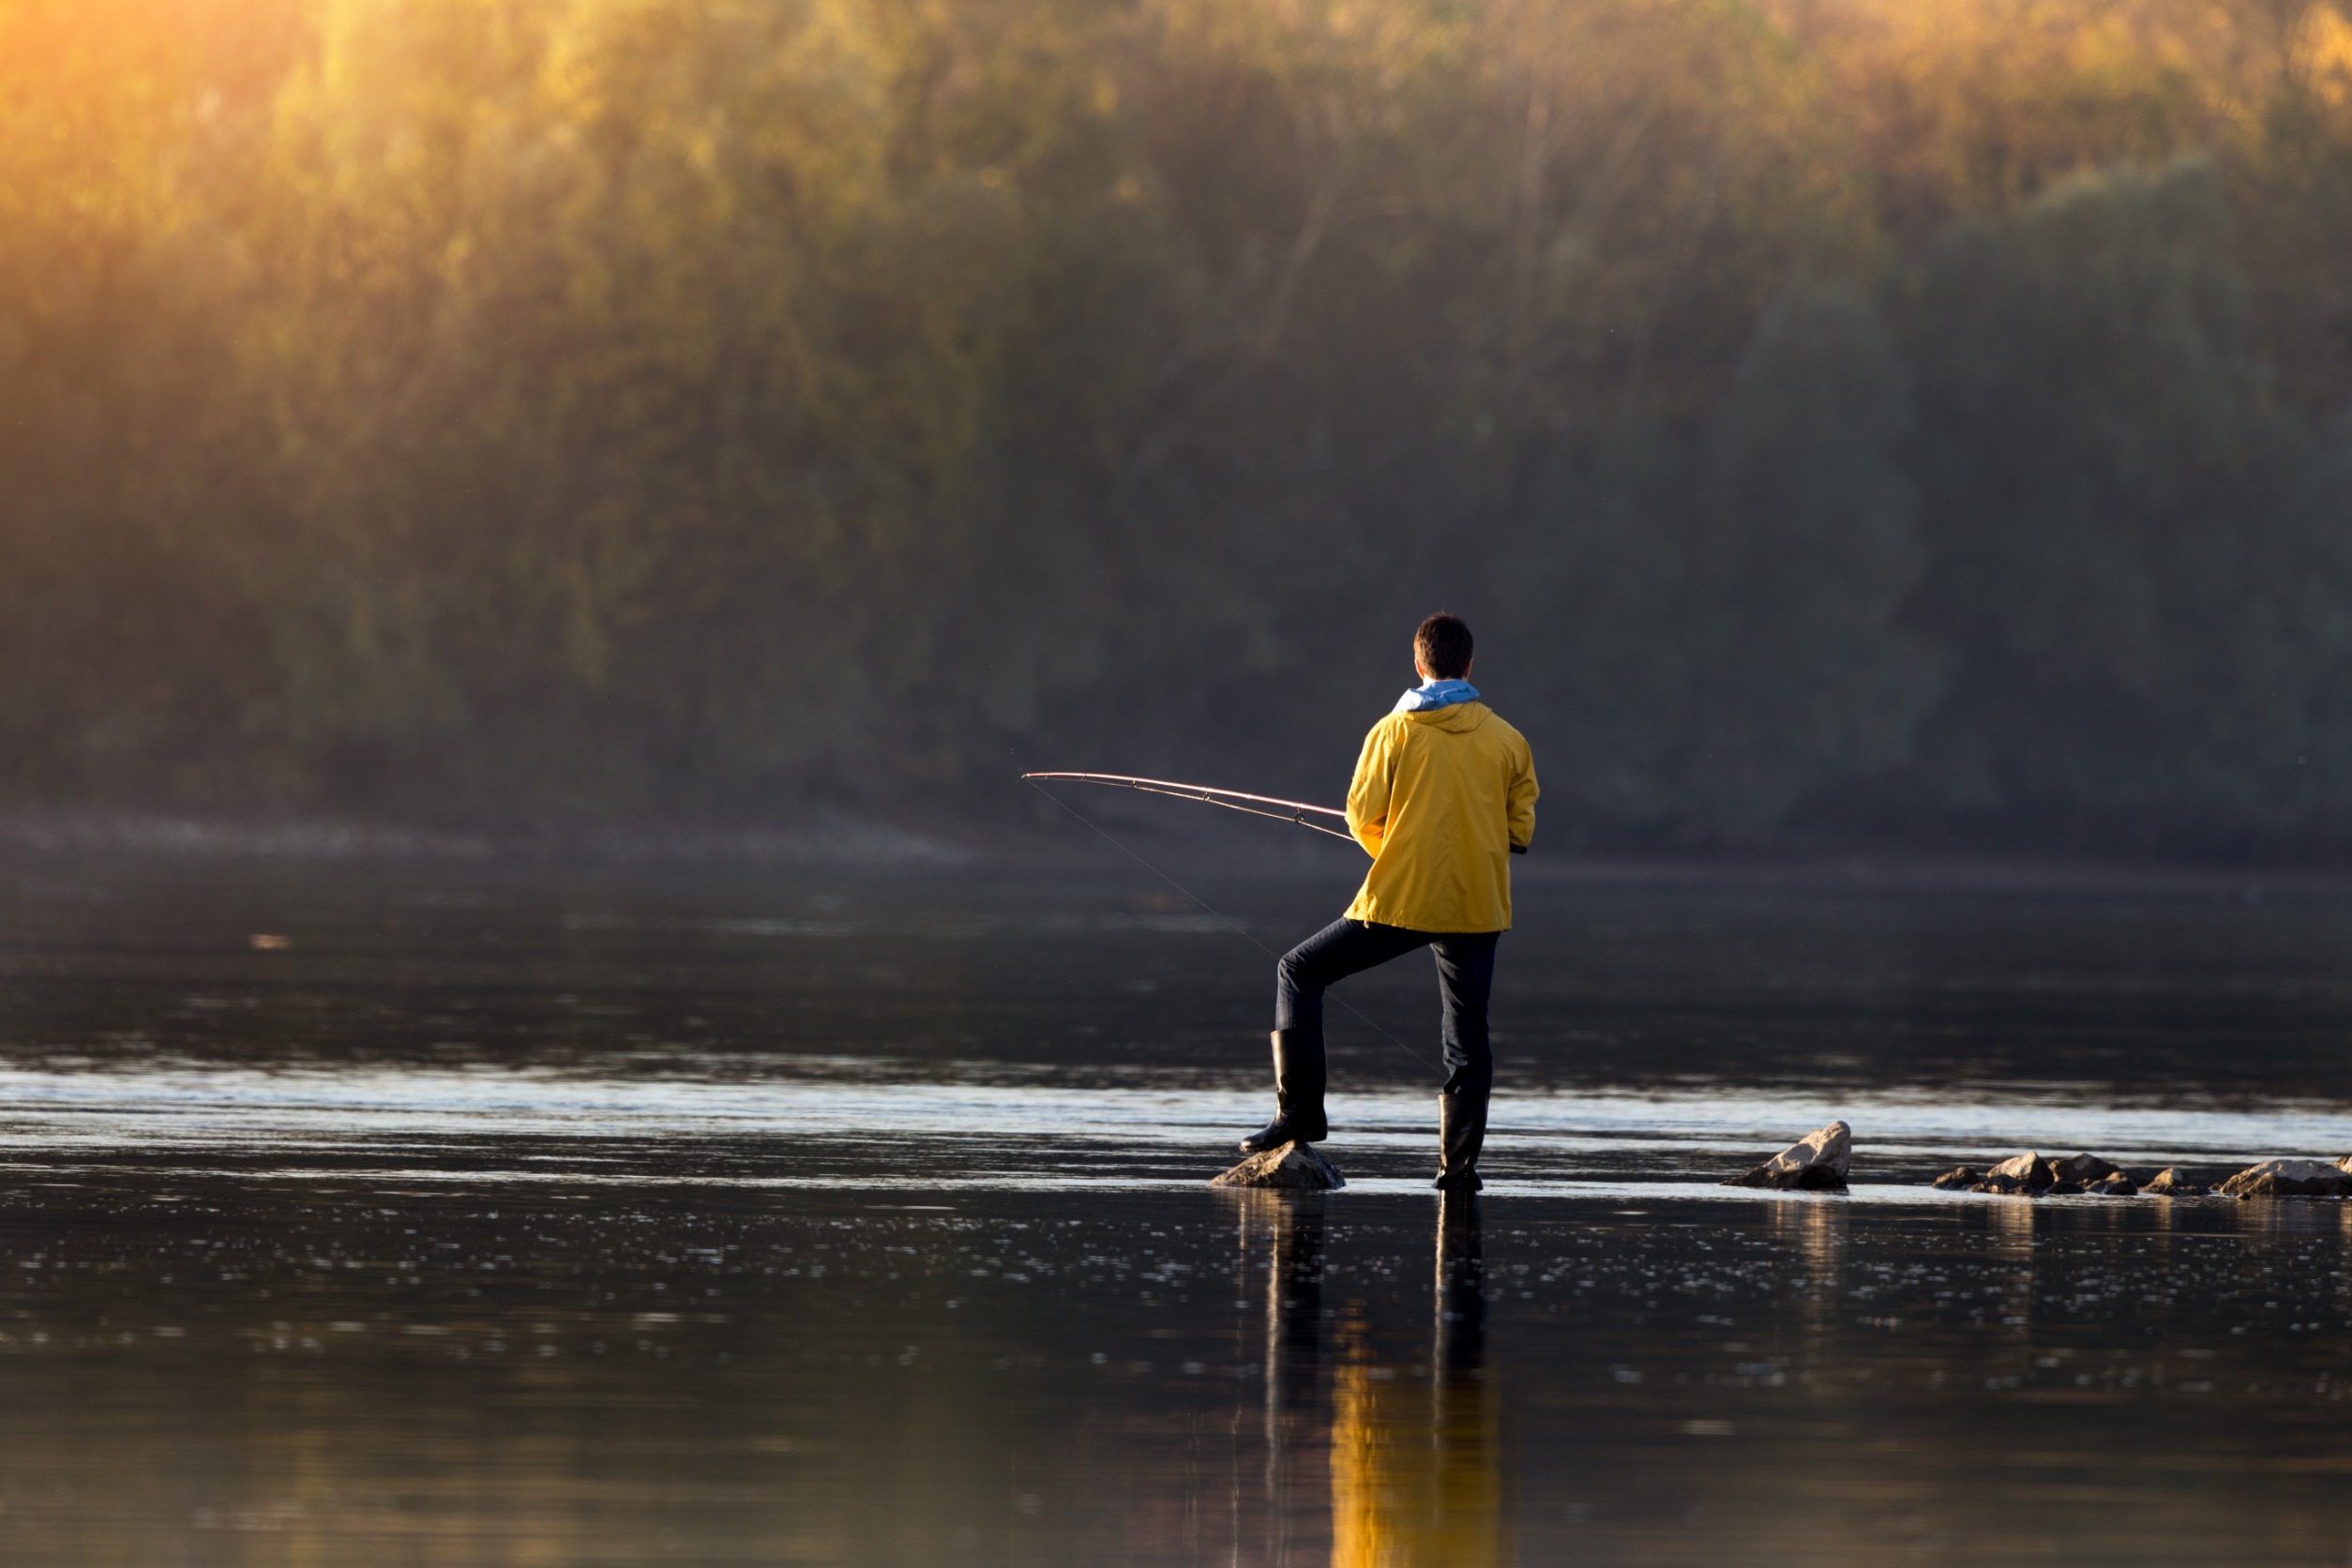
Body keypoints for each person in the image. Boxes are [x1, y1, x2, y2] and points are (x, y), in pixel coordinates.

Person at [1239, 612, 1539, 1189]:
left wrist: (1393, 850)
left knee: (1297, 971)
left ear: (1419, 664)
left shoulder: (1392, 732)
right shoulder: (1509, 740)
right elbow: (1516, 830)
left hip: (1400, 899)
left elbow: (1360, 816)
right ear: (1470, 666)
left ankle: (1300, 1115)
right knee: (1467, 1032)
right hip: (1478, 907)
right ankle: (1459, 1169)